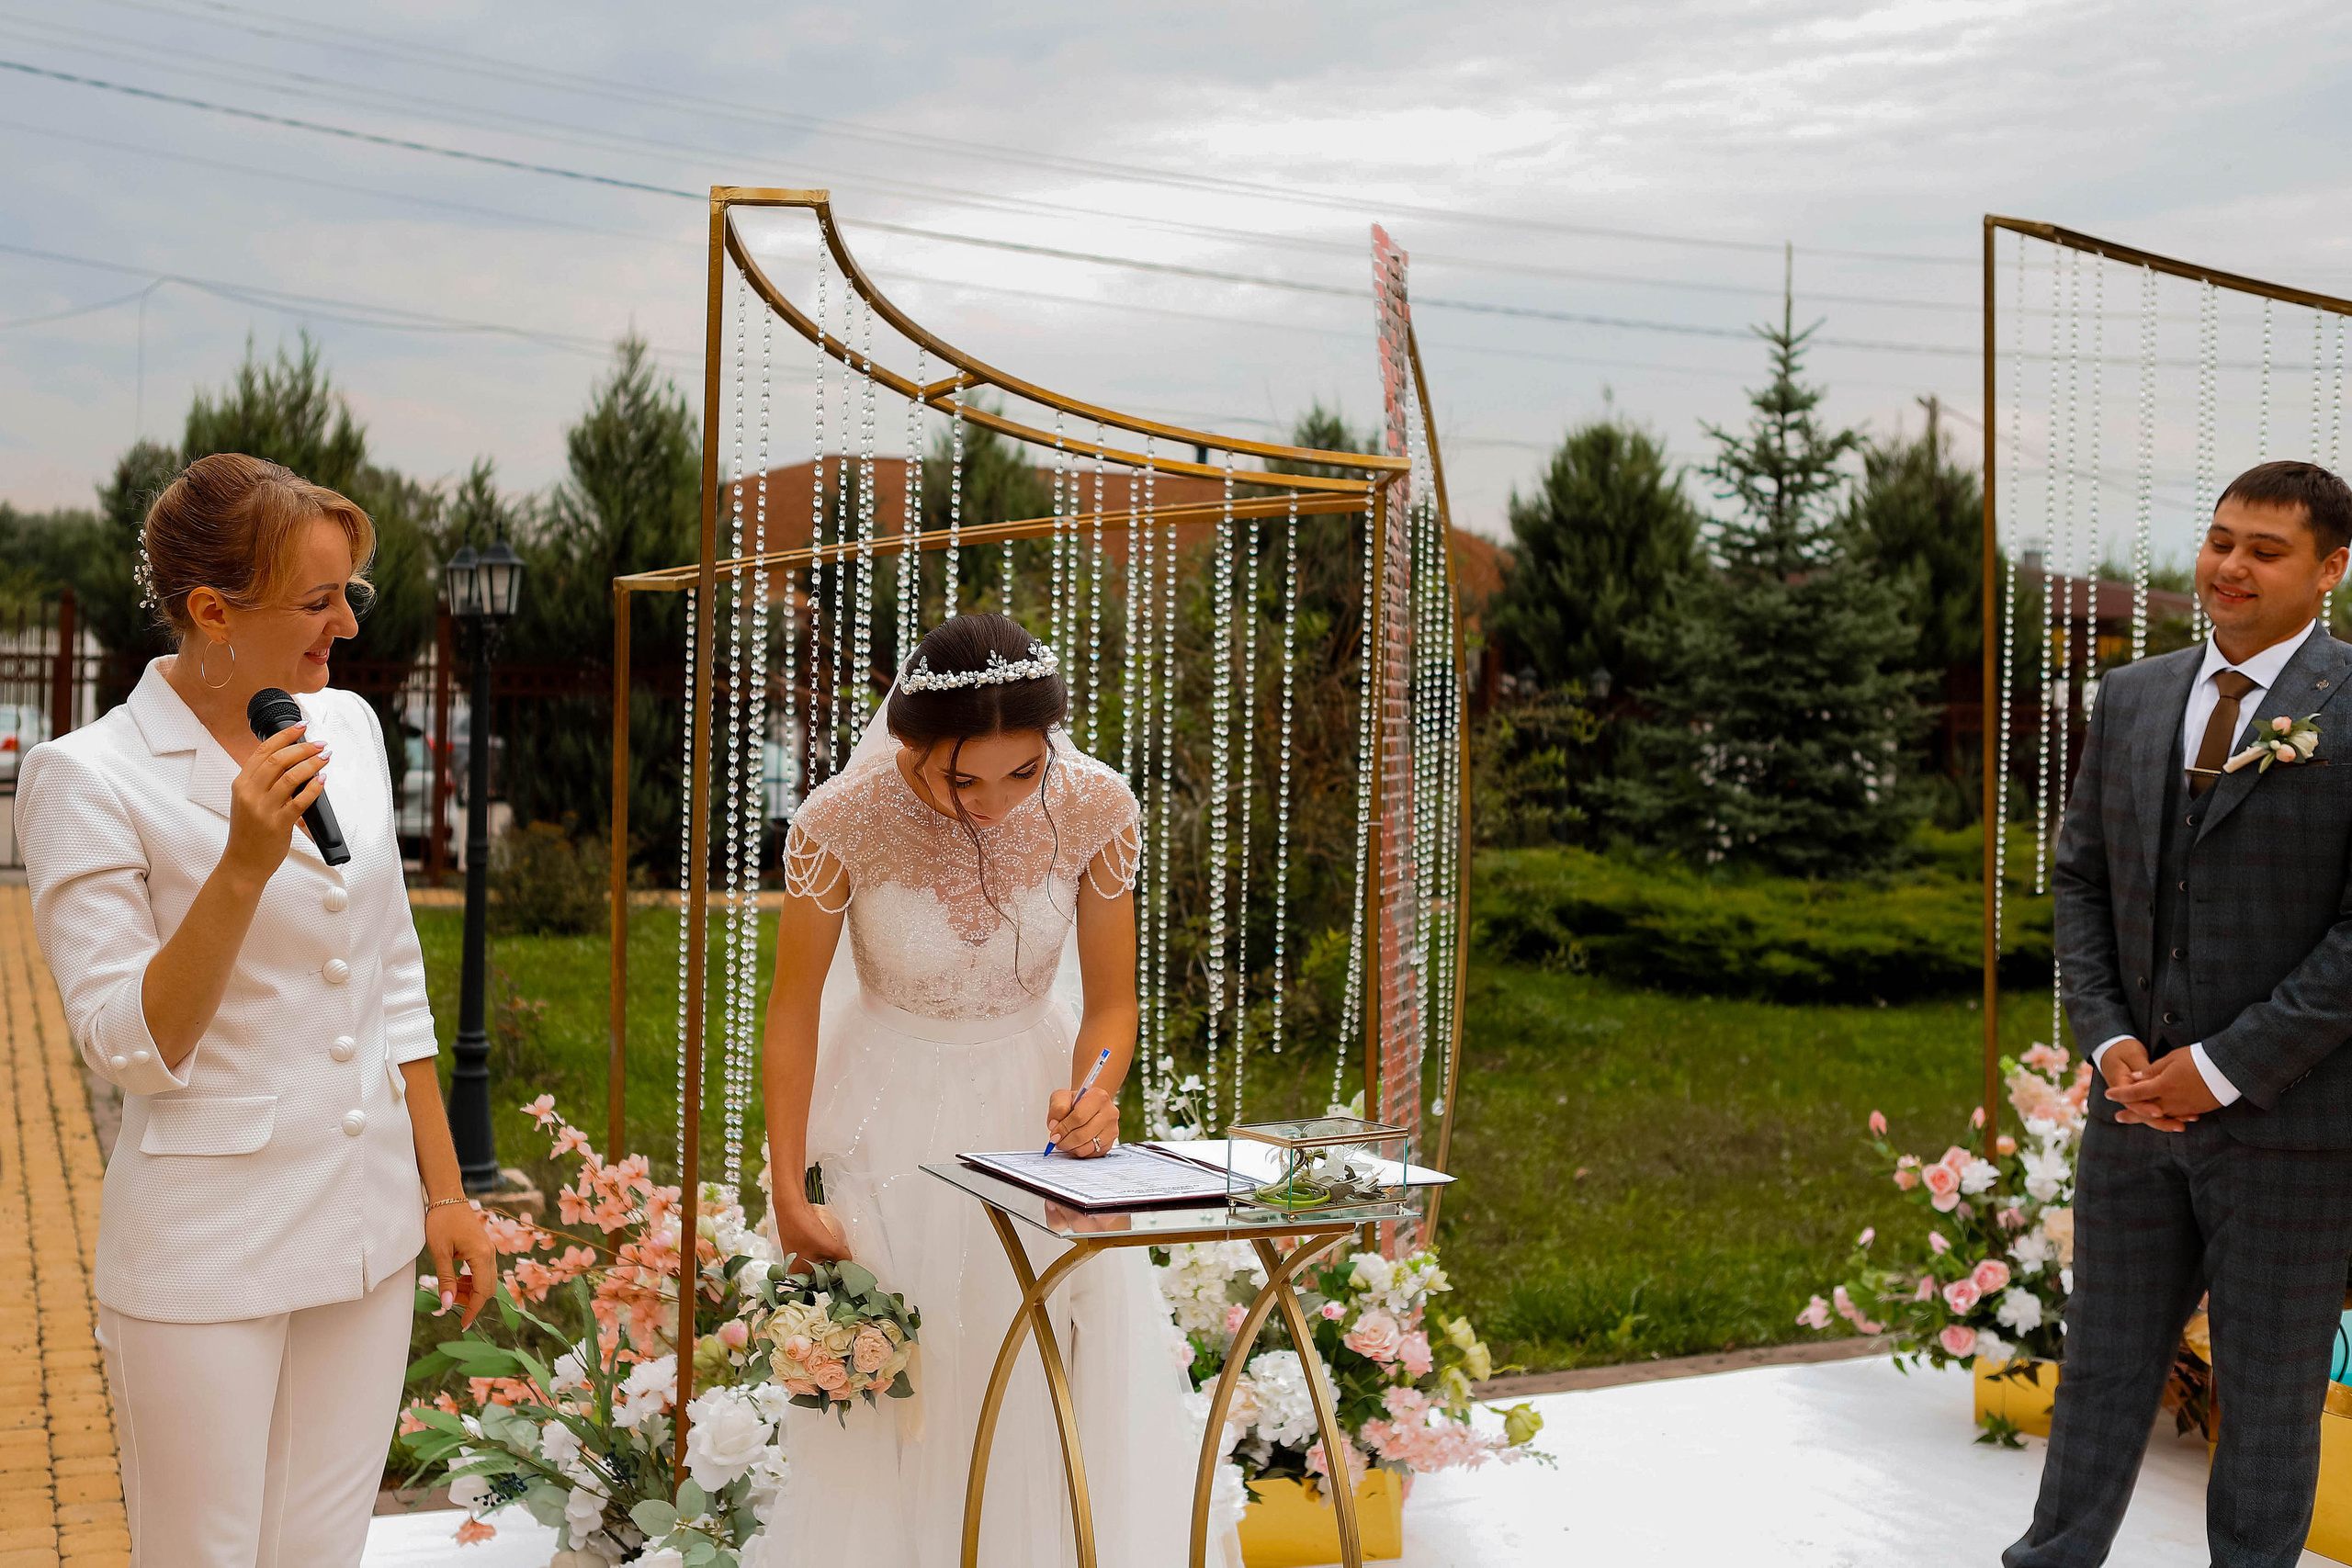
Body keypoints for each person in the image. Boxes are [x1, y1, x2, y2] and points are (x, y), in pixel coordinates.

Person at [14, 453, 497, 1567]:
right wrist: (239, 865)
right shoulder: (88, 777)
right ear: (211, 612)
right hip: (208, 1251)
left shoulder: (352, 731)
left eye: (351, 594)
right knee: (205, 1554)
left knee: (323, 1548)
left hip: (369, 1232)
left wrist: (443, 1190)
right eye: (319, 601)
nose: (346, 628)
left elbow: (391, 971)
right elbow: (125, 1046)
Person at [753, 613, 1227, 1568]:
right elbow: (793, 1011)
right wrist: (784, 1185)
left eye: (1022, 773)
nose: (994, 802)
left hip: (1029, 1113)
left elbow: (1111, 1005)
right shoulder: (839, 823)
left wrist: (1092, 1095)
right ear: (910, 744)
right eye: (959, 777)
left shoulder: (1095, 807)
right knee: (905, 1386)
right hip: (885, 1124)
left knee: (1048, 1369)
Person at [2017, 459, 2352, 1567]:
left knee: (2264, 1407)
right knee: (2102, 1369)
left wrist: (2217, 1069)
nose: (2231, 566)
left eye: (2266, 550)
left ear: (2332, 569)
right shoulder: (2134, 696)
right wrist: (2110, 1041)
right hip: (2130, 1113)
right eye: (2220, 540)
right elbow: (2079, 882)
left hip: (2288, 1127)